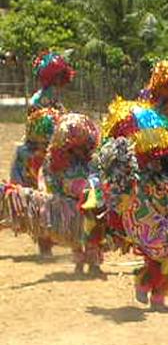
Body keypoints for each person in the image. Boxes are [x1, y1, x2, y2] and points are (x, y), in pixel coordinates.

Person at [92, 98, 168, 310]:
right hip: (147, 217)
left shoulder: (164, 180)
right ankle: (148, 285)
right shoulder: (132, 185)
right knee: (167, 251)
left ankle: (155, 294)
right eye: (151, 158)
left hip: (164, 216)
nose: (155, 161)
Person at [40, 113, 104, 276]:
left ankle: (94, 263)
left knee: (93, 230)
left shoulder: (92, 159)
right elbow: (52, 179)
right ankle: (79, 262)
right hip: (69, 201)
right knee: (74, 232)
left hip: (90, 200)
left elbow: (99, 176)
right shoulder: (57, 160)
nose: (78, 149)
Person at [8, 108, 61, 256]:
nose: (42, 145)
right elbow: (16, 175)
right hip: (34, 194)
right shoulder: (24, 152)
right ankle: (45, 246)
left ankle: (49, 243)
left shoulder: (56, 154)